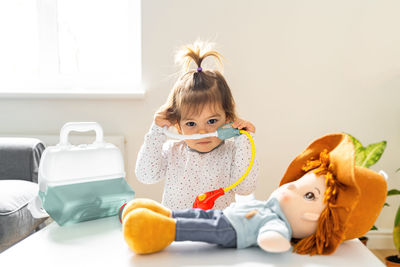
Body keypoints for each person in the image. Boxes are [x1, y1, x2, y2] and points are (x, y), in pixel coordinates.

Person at [123, 133, 387, 255]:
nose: (293, 185)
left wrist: (275, 238)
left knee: (197, 228)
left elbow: (273, 236)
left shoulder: (277, 222)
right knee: (195, 215)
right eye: (302, 181)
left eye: (310, 196)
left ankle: (161, 229)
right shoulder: (175, 149)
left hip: (231, 231)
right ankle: (163, 213)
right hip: (226, 215)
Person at [135, 41, 259, 209]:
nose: (202, 131)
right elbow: (145, 176)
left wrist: (243, 138)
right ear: (178, 125)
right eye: (191, 123)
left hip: (217, 231)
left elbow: (245, 188)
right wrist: (156, 131)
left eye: (212, 121)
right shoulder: (173, 151)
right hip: (178, 231)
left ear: (228, 119)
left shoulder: (232, 152)